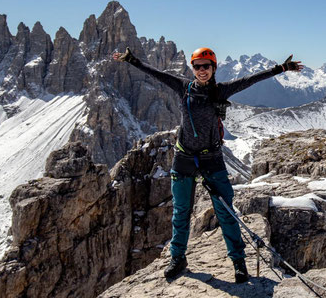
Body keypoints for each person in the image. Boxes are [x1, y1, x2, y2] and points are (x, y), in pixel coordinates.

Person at [113, 46, 303, 282]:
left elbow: (251, 80)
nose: (202, 70)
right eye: (197, 66)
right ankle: (178, 258)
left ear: (214, 68)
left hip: (211, 158)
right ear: (192, 69)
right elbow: (157, 74)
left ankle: (238, 263)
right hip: (183, 157)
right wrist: (132, 60)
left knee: (225, 211)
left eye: (206, 66)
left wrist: (282, 68)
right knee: (181, 212)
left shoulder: (222, 90)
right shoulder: (183, 87)